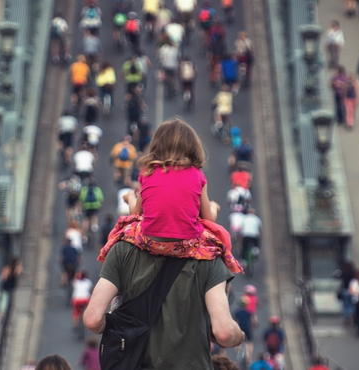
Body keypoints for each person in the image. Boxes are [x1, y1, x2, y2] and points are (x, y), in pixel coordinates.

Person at [99, 118, 243, 274]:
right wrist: (214, 207)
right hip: (187, 244)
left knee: (123, 232)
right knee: (218, 247)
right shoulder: (198, 175)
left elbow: (136, 212)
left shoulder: (147, 172)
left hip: (150, 242)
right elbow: (208, 218)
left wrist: (129, 198)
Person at [85, 240, 244, 369]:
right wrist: (239, 336)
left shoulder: (122, 249)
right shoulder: (209, 257)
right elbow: (224, 332)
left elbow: (92, 319)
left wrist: (116, 325)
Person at [338, 260, 356, 326]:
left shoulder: (344, 273)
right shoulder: (353, 273)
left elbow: (338, 279)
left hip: (345, 291)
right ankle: (352, 314)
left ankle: (346, 319)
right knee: (351, 305)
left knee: (345, 306)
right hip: (352, 291)